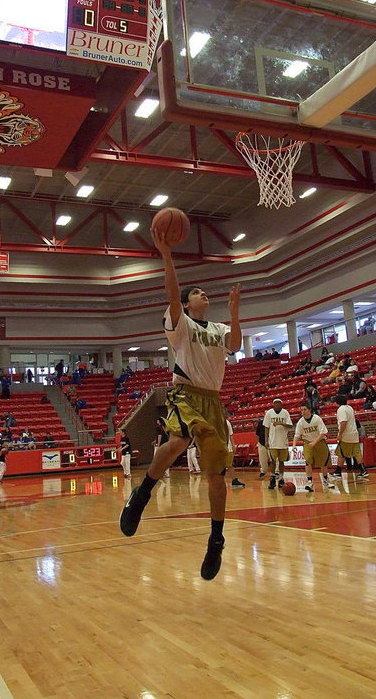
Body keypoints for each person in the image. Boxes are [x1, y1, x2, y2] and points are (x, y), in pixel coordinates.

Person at [119, 226, 242, 582]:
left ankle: (216, 539)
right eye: (198, 293)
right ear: (188, 304)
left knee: (216, 475)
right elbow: (173, 295)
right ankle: (142, 494)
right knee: (175, 442)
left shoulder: (217, 328)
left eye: (205, 292)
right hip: (185, 394)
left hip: (213, 401)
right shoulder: (182, 324)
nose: (205, 295)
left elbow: (234, 343)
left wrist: (234, 311)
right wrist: (167, 255)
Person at [292, 403, 335, 492]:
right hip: (307, 442)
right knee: (308, 461)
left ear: (309, 410)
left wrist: (314, 442)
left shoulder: (317, 418)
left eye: (304, 410)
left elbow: (323, 432)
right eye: (301, 410)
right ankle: (310, 482)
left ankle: (326, 480)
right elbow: (297, 435)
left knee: (323, 462)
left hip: (319, 441)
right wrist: (294, 445)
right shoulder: (300, 422)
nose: (303, 412)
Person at [330, 395, 368, 479]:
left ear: (337, 402)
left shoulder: (341, 409)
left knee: (341, 453)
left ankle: (338, 471)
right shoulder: (349, 408)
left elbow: (343, 422)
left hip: (346, 435)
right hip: (354, 434)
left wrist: (339, 434)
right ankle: (363, 470)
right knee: (357, 453)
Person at [263, 398, 293, 490]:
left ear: (281, 404)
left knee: (282, 461)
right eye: (275, 403)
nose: (277, 404)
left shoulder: (285, 413)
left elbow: (290, 425)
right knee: (272, 461)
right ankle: (272, 478)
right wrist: (266, 440)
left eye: (278, 403)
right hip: (272, 441)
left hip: (283, 441)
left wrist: (280, 423)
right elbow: (266, 427)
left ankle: (281, 479)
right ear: (273, 404)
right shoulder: (269, 413)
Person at [226, 417, 245, 488]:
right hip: (219, 447)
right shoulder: (215, 423)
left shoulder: (227, 422)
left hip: (227, 447)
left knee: (229, 465)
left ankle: (234, 480)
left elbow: (231, 436)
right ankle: (233, 480)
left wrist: (233, 445)